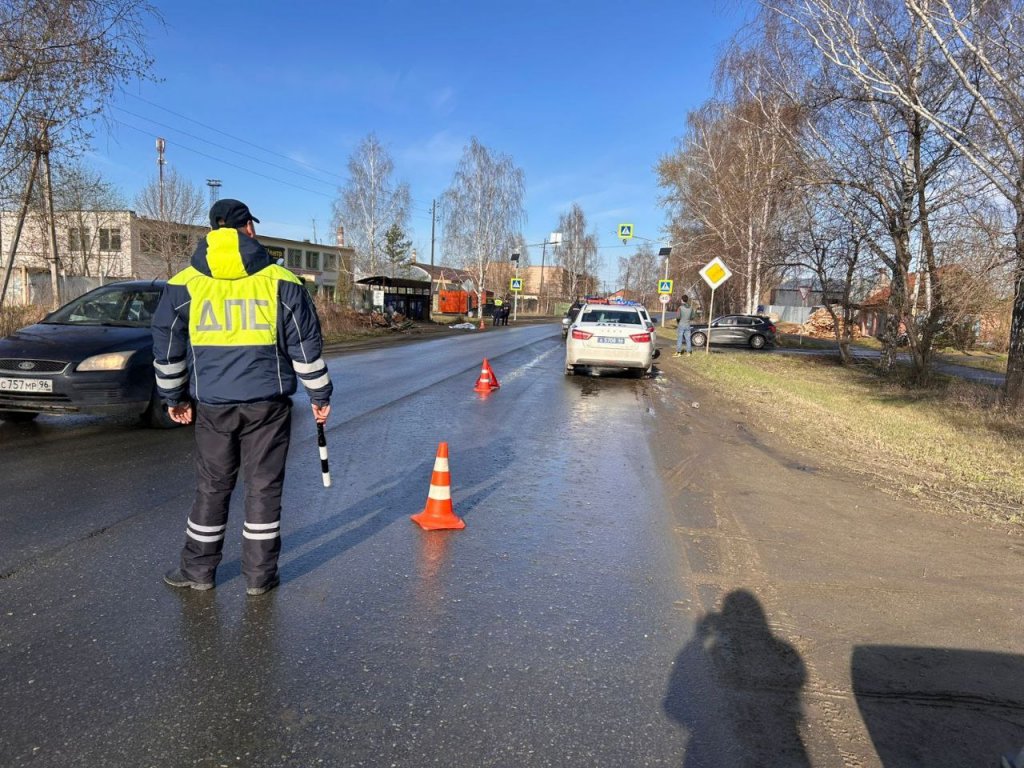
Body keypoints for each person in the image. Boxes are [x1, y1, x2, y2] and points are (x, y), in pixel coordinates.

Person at [152, 199, 333, 597]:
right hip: (267, 406)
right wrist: (319, 394)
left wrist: (174, 397)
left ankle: (198, 572)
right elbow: (305, 347)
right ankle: (260, 577)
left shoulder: (183, 283)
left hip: (213, 406)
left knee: (212, 487)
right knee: (263, 488)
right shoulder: (281, 281)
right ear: (248, 227)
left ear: (213, 229)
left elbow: (167, 350)